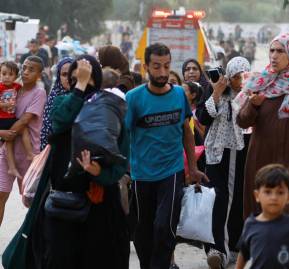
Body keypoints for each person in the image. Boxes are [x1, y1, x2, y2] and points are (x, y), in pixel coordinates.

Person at [30, 55, 130, 269]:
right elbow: (61, 121)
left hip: (99, 203)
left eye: (86, 79)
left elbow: (121, 161)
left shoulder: (110, 110)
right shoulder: (61, 103)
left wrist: (99, 173)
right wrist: (81, 86)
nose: (80, 85)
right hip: (63, 201)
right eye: (75, 79)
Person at [125, 43, 207, 269]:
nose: (162, 73)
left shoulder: (180, 94)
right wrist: (125, 171)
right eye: (157, 66)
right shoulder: (133, 98)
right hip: (142, 174)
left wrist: (192, 167)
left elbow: (186, 134)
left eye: (167, 66)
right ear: (146, 67)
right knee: (142, 230)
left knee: (164, 226)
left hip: (171, 172)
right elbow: (124, 136)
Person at [196, 56, 251, 269]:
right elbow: (203, 117)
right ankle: (217, 249)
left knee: (235, 200)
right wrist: (217, 92)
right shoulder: (218, 92)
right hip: (218, 154)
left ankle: (229, 248)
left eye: (244, 76)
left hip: (242, 153)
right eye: (236, 77)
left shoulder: (251, 94)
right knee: (219, 201)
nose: (240, 81)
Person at [237, 32, 289, 219]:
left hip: (286, 161)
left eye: (280, 51)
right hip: (260, 159)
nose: (274, 55)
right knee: (257, 213)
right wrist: (253, 104)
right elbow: (242, 121)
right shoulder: (260, 82)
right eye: (272, 50)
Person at [0, 56, 46, 226]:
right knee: (1, 196)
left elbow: (24, 120)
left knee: (31, 203)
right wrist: (1, 134)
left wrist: (5, 134)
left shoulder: (39, 93)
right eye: (24, 67)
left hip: (29, 157)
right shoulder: (13, 89)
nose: (26, 72)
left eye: (31, 69)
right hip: (7, 152)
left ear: (39, 75)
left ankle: (33, 245)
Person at [236, 164, 289, 269]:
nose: (274, 197)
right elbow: (243, 254)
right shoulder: (251, 224)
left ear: (288, 197)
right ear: (257, 196)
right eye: (268, 192)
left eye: (280, 192)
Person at [0, 61, 35, 180]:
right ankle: (11, 166)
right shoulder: (0, 87)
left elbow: (25, 89)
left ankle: (28, 154)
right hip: (2, 119)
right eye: (4, 74)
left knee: (19, 133)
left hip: (11, 118)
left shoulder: (17, 86)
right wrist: (3, 105)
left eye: (10, 74)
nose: (6, 77)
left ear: (15, 76)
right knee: (8, 140)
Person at [40, 57, 73, 150]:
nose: (68, 78)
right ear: (59, 76)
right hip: (56, 150)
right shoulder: (54, 97)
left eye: (71, 74)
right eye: (64, 74)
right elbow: (47, 129)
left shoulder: (84, 95)